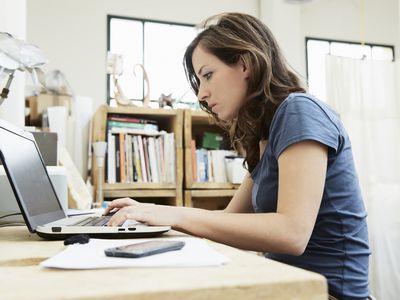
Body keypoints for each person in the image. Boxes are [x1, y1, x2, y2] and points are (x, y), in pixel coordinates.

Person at [105, 13, 370, 299]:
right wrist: (150, 216)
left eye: (208, 75)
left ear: (245, 63)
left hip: (328, 293)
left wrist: (171, 212)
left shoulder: (300, 110)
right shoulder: (265, 136)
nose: (201, 94)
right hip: (286, 284)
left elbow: (292, 233)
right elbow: (227, 221)